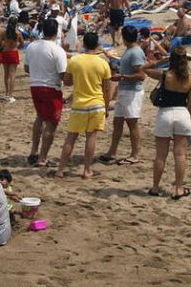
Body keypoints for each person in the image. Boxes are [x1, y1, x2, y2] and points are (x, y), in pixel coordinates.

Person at [55, 32, 111, 179]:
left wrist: (79, 78)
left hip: (80, 103)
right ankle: (87, 170)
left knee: (71, 138)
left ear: (84, 44)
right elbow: (107, 89)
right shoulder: (103, 63)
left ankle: (60, 169)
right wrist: (106, 107)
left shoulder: (75, 60)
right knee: (91, 138)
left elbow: (67, 82)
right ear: (97, 44)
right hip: (97, 103)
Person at [142, 47, 191, 199]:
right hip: (182, 114)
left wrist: (163, 60)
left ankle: (155, 187)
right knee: (180, 154)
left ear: (172, 59)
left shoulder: (165, 75)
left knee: (160, 155)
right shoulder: (190, 79)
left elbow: (143, 68)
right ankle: (179, 189)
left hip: (165, 114)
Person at [99, 25, 146, 166]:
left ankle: (135, 154)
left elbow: (141, 75)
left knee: (132, 123)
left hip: (132, 92)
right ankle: (112, 152)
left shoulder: (135, 52)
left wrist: (122, 76)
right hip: (125, 90)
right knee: (117, 122)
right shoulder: (130, 50)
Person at [24, 18, 67, 167]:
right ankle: (42, 158)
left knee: (40, 118)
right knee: (51, 123)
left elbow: (26, 68)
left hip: (35, 86)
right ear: (56, 32)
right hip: (51, 87)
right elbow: (63, 75)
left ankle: (34, 151)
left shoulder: (31, 46)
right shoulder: (57, 50)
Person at [0, 16, 25, 103]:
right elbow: (22, 44)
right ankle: (10, 95)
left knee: (6, 74)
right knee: (12, 75)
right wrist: (17, 45)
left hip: (5, 52)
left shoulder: (4, 33)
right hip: (13, 53)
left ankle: (7, 93)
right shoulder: (18, 33)